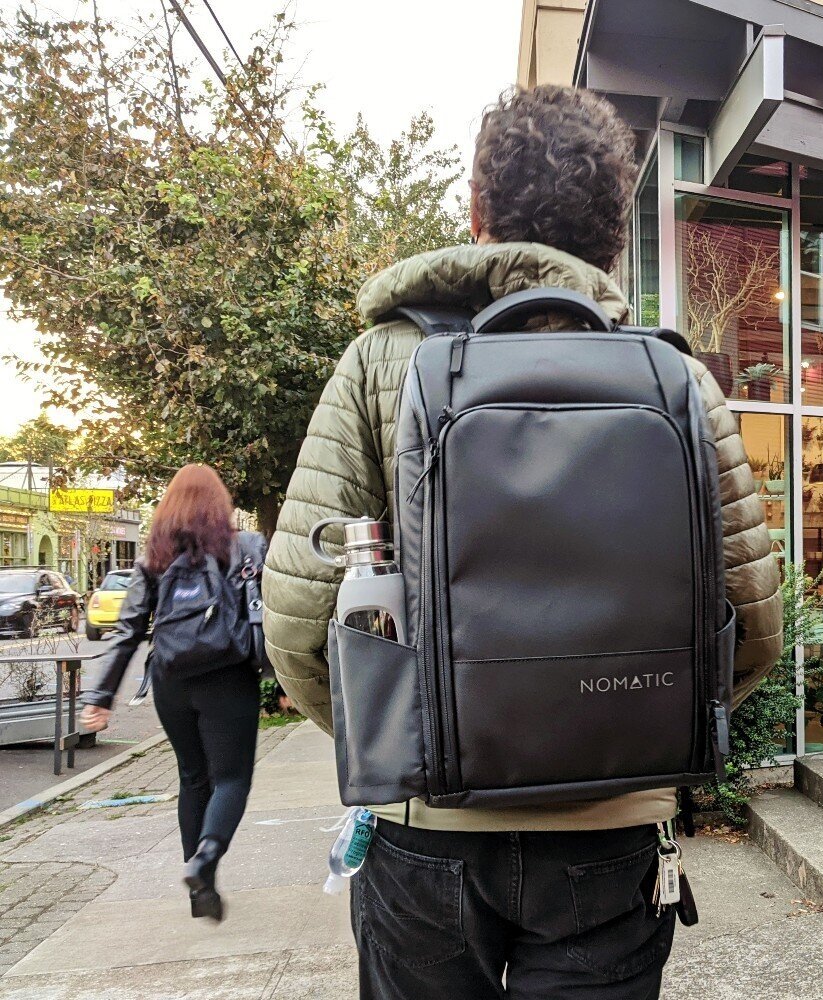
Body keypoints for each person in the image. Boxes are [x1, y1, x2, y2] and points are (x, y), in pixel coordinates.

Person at [262, 85, 783, 1000]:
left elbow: (301, 626)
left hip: (425, 826)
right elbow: (751, 622)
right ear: (614, 231)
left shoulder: (382, 364)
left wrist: (406, 739)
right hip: (612, 832)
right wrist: (627, 730)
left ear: (478, 214)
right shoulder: (674, 380)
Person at [79, 464, 262, 922]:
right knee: (232, 779)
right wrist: (279, 680)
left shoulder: (153, 558)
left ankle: (201, 894)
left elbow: (128, 632)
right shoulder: (245, 546)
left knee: (192, 778)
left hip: (171, 680)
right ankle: (205, 859)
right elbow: (265, 615)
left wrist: (99, 697)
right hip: (228, 674)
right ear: (219, 504)